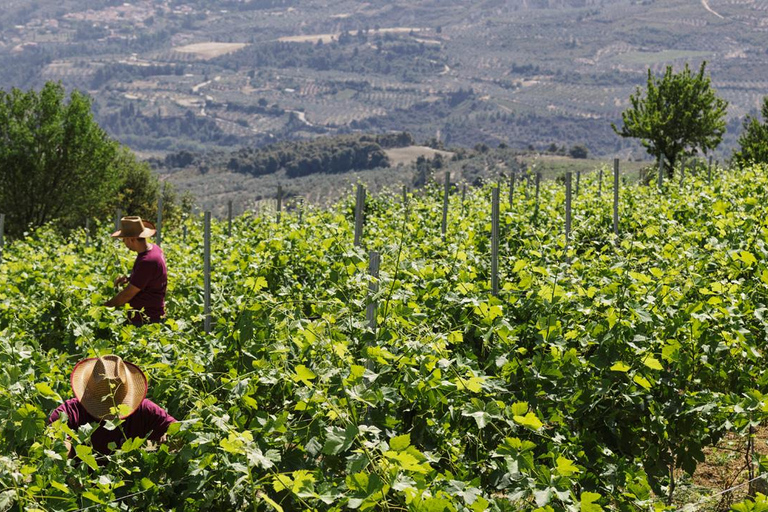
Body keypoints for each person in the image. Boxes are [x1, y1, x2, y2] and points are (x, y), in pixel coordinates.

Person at [48, 354, 177, 457]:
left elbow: (177, 429)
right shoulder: (68, 413)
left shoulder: (143, 409)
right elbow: (55, 442)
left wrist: (171, 437)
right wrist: (63, 453)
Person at [105, 216, 167, 326]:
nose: (124, 243)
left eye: (124, 239)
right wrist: (130, 279)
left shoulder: (147, 261)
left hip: (146, 320)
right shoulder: (154, 249)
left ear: (132, 239)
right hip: (151, 315)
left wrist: (105, 306)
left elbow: (126, 295)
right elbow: (149, 278)